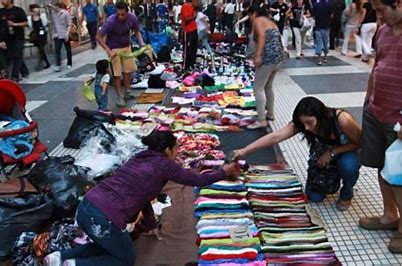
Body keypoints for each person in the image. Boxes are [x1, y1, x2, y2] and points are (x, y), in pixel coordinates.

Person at [44, 130, 240, 265]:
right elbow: (196, 179)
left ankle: (59, 258)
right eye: (176, 148)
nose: (177, 152)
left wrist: (152, 225)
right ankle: (74, 263)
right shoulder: (165, 164)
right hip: (103, 217)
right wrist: (224, 171)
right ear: (167, 150)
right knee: (124, 259)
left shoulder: (140, 157)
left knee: (104, 245)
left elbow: (144, 196)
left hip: (87, 206)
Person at [234, 97, 362, 210]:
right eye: (303, 123)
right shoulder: (302, 124)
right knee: (315, 197)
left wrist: (332, 152)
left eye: (310, 122)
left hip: (346, 152)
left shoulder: (342, 119)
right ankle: (334, 175)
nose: (306, 128)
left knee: (348, 166)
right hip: (321, 158)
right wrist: (244, 150)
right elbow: (275, 137)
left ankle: (347, 192)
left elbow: (360, 143)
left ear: (320, 116)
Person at [358, 0, 402, 254]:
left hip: (398, 118)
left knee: (399, 174)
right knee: (380, 166)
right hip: (376, 110)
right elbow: (377, 66)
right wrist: (367, 100)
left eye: (381, 9)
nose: (378, 15)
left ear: (397, 3)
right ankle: (389, 215)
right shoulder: (383, 31)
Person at [97, 2, 145, 107]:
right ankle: (119, 96)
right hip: (114, 49)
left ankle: (127, 92)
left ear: (127, 12)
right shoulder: (110, 21)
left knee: (128, 71)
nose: (120, 16)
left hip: (126, 46)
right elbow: (99, 37)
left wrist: (141, 43)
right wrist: (108, 51)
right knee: (117, 74)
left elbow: (137, 31)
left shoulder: (132, 18)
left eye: (123, 14)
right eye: (118, 14)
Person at [247, 3, 284, 129]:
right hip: (277, 57)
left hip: (267, 58)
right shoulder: (270, 21)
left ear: (254, 13)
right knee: (268, 86)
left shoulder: (258, 20)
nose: (249, 18)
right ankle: (271, 114)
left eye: (249, 14)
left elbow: (262, 36)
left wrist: (257, 55)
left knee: (258, 87)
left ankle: (261, 120)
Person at [0, 0, 29, 82]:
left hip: (18, 37)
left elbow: (25, 23)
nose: (2, 1)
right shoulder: (1, 12)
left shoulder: (18, 10)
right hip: (6, 39)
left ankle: (15, 77)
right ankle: (24, 71)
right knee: (8, 57)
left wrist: (14, 24)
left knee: (17, 56)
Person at [49, 3, 72, 72]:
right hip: (57, 35)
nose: (53, 8)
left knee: (68, 49)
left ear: (58, 7)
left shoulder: (65, 13)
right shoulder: (53, 13)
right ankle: (58, 65)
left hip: (65, 33)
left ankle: (69, 63)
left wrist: (67, 33)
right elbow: (49, 5)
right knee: (57, 50)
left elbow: (69, 24)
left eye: (55, 7)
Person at [28, 4, 50, 71]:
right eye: (36, 8)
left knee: (41, 49)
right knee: (40, 51)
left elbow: (46, 24)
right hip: (36, 36)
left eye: (38, 8)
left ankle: (45, 64)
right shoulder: (29, 18)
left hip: (42, 35)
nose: (38, 9)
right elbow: (30, 27)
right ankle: (41, 64)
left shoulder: (42, 16)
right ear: (32, 9)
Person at [312, 0, 332, 65]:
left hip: (318, 26)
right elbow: (331, 15)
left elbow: (313, 16)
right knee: (325, 41)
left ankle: (319, 58)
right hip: (326, 26)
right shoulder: (329, 5)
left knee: (319, 42)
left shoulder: (315, 5)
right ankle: (325, 56)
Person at [181, 0, 199, 70]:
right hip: (188, 31)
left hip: (194, 30)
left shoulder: (193, 8)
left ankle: (192, 65)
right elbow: (186, 18)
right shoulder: (186, 6)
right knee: (187, 50)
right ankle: (185, 67)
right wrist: (194, 16)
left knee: (194, 49)